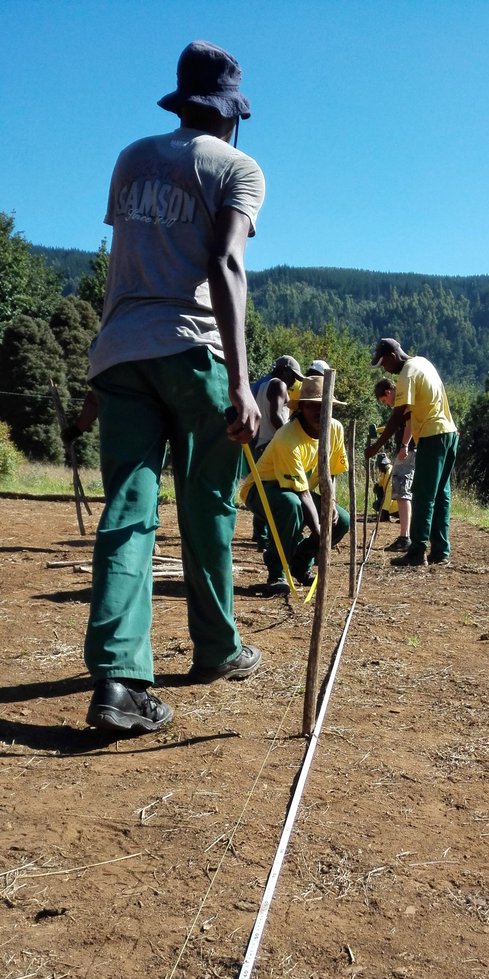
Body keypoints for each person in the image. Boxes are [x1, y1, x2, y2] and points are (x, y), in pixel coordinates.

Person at [83, 40, 265, 735]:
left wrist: (98, 368)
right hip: (195, 354)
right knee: (207, 509)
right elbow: (224, 264)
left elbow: (120, 265)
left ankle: (121, 681)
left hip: (121, 354)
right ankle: (216, 650)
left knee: (127, 514)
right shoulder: (238, 167)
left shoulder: (131, 158)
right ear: (232, 114)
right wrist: (243, 384)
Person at [239, 375, 350, 596]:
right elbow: (303, 494)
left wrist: (331, 504)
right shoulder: (287, 437)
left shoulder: (335, 429)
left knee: (342, 520)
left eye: (323, 405)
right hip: (261, 489)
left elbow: (333, 474)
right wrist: (319, 532)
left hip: (298, 493)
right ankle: (276, 573)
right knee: (291, 506)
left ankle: (300, 562)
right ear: (301, 408)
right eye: (312, 406)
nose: (318, 411)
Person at [366, 338, 459, 567]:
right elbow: (411, 412)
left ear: (392, 356)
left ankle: (417, 551)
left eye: (383, 363)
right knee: (441, 495)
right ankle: (440, 551)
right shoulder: (422, 363)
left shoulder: (407, 373)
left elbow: (398, 415)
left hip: (432, 435)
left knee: (423, 494)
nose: (385, 369)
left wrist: (375, 448)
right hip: (449, 433)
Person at [250, 354, 304, 549]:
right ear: (283, 370)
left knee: (264, 492)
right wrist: (288, 437)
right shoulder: (278, 385)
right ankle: (268, 537)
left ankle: (261, 535)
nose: (294, 382)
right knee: (275, 494)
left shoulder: (262, 384)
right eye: (293, 376)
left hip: (262, 443)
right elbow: (274, 416)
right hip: (272, 444)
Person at [374, 377, 415, 551]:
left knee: (402, 491)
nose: (386, 404)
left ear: (389, 392)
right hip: (410, 450)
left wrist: (404, 446)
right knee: (402, 491)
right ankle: (408, 535)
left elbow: (410, 423)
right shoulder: (402, 402)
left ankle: (405, 537)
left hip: (409, 451)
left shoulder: (403, 402)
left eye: (384, 400)